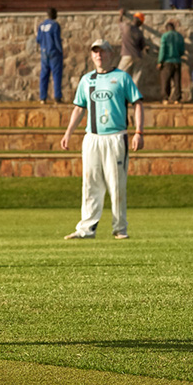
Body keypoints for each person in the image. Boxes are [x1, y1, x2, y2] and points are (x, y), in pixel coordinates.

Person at [59, 38, 144, 240]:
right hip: (92, 138)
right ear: (91, 56)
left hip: (116, 137)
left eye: (102, 51)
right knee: (90, 183)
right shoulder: (87, 80)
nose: (99, 55)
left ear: (110, 54)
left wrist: (139, 132)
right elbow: (79, 107)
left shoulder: (122, 78)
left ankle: (120, 228)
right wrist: (68, 132)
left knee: (116, 184)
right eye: (95, 52)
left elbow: (137, 103)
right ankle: (86, 228)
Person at [36, 8, 64, 104]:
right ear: (54, 15)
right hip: (54, 52)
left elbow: (38, 39)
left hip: (44, 52)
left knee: (44, 75)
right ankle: (57, 97)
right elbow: (56, 40)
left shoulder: (41, 25)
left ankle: (42, 98)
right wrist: (60, 50)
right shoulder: (55, 25)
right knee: (56, 74)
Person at [118, 10, 149, 87]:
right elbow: (143, 47)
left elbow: (119, 22)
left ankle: (119, 92)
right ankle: (134, 96)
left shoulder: (126, 27)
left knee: (119, 74)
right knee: (136, 77)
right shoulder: (139, 32)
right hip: (138, 56)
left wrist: (121, 14)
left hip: (127, 55)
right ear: (140, 23)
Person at [157, 20, 185, 103]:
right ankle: (177, 98)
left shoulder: (165, 36)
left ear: (167, 29)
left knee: (165, 80)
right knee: (177, 81)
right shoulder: (179, 36)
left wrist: (160, 61)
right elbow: (182, 50)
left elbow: (162, 49)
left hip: (167, 61)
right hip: (177, 61)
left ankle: (165, 98)